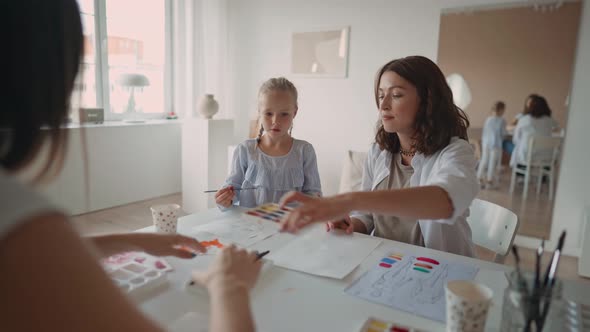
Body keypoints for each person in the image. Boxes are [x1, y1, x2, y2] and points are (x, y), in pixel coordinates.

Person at [0, 1, 261, 331]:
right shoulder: (22, 224)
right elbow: (39, 258)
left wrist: (134, 240)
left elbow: (44, 262)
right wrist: (230, 286)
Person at [279, 56, 479, 257]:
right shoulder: (379, 152)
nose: (383, 105)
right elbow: (366, 217)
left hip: (439, 271)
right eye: (381, 95)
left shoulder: (456, 152)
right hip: (387, 263)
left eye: (397, 95)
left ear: (428, 100)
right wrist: (350, 223)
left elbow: (445, 202)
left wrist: (349, 200)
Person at [215, 77, 322, 208]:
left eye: (284, 114)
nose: (275, 121)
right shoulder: (245, 150)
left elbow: (314, 194)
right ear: (259, 112)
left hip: (291, 226)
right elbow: (232, 189)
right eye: (269, 113)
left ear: (294, 112)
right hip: (251, 226)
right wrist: (225, 199)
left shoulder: (305, 151)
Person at [510, 95, 559, 168]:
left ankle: (521, 173)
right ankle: (543, 175)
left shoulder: (524, 119)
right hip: (547, 156)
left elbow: (516, 139)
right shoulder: (549, 120)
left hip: (527, 156)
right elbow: (557, 128)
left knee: (515, 146)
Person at [477, 101, 507, 188]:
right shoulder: (502, 120)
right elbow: (503, 133)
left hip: (486, 143)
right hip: (496, 144)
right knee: (492, 163)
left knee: (484, 160)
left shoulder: (488, 119)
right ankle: (489, 180)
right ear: (501, 110)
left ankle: (479, 177)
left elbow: (485, 132)